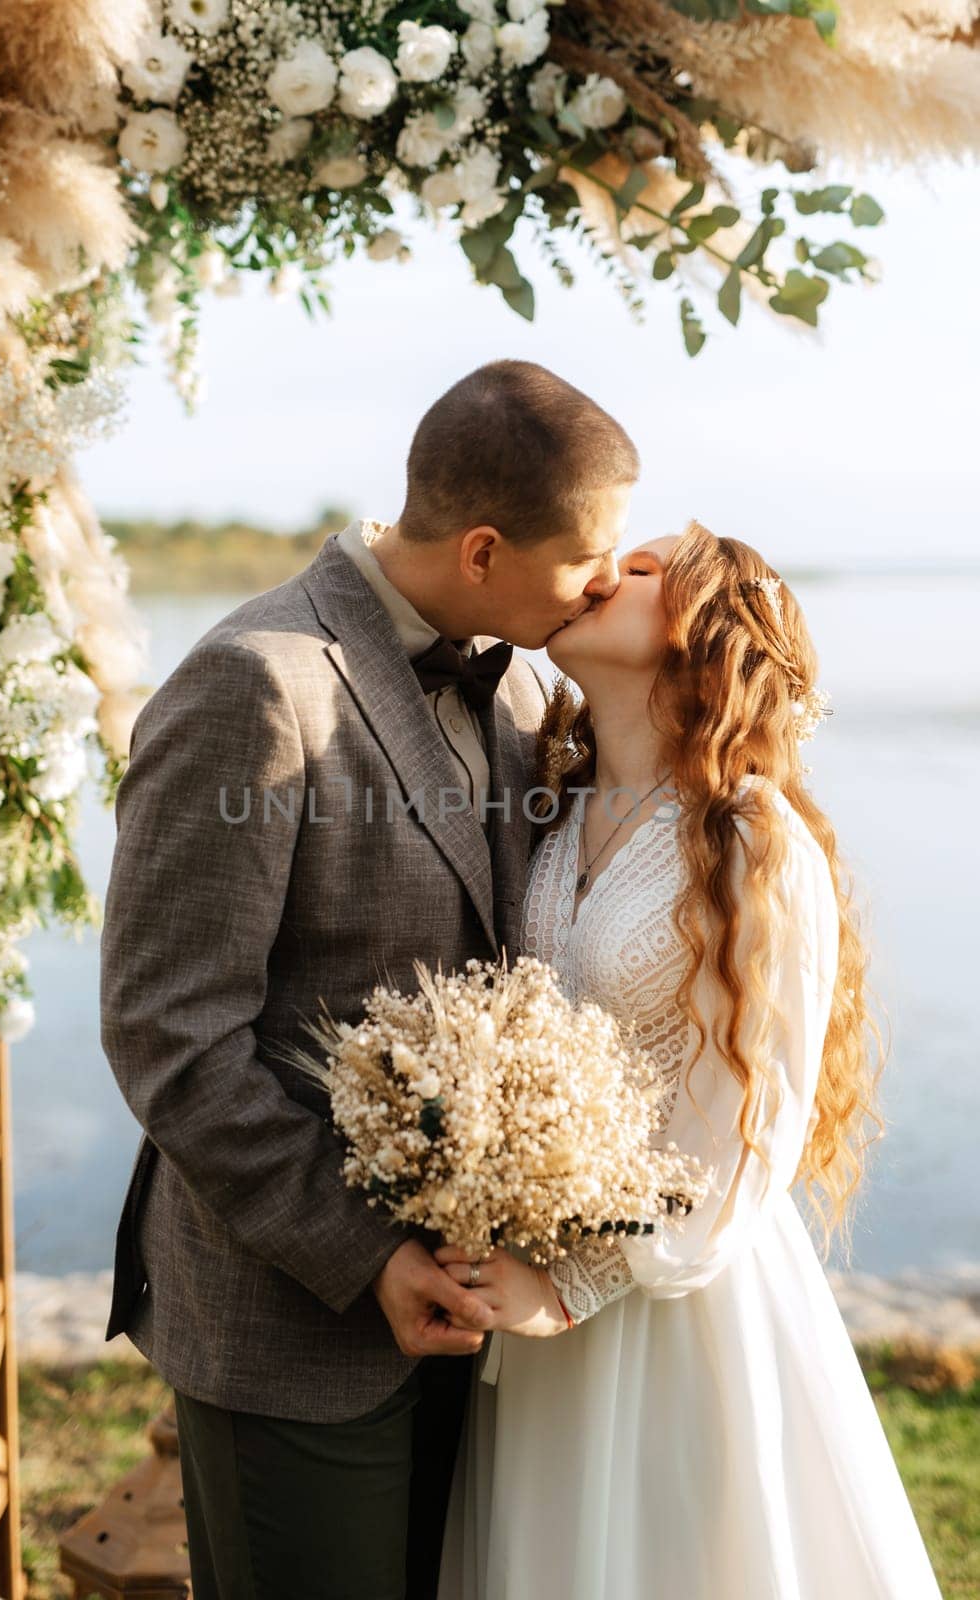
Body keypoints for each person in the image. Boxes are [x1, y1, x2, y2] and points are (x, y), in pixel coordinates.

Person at [98, 357, 638, 1599]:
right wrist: (365, 1252)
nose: (606, 582)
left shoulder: (525, 677)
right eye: (588, 560)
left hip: (481, 1331)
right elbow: (170, 1037)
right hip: (293, 1322)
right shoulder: (256, 683)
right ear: (489, 548)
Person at [434, 519, 944, 1599]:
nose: (602, 569)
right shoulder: (557, 813)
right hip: (531, 1307)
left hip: (676, 1307)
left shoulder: (754, 838)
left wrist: (573, 1283)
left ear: (703, 632)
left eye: (643, 566)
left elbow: (749, 1126)